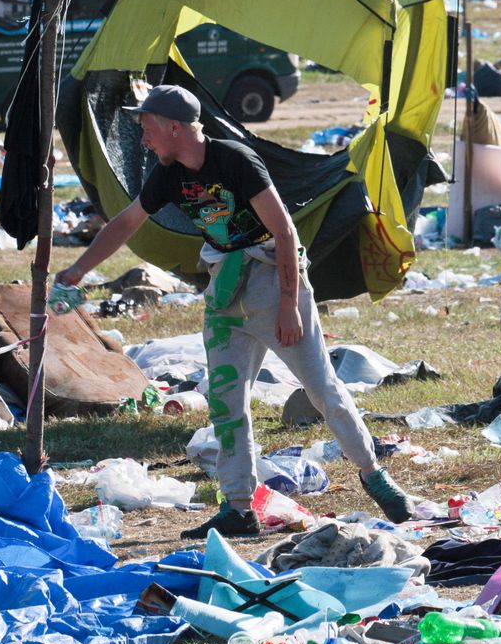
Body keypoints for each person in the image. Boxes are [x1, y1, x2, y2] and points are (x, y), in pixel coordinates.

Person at [55, 86, 414, 538]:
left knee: (322, 387)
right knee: (226, 404)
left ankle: (372, 473)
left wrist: (289, 306)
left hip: (272, 279)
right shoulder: (167, 174)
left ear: (174, 126)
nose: (142, 137)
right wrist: (78, 269)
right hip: (226, 290)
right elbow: (126, 222)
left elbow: (284, 231)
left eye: (147, 127)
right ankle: (240, 507)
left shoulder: (235, 161)